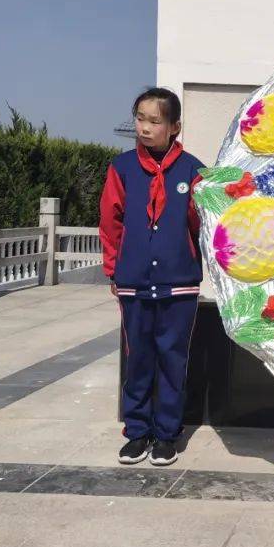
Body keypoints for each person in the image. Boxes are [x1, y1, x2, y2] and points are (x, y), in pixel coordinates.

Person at [99, 87, 204, 467]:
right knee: (138, 359)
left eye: (154, 121)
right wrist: (113, 267)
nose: (144, 127)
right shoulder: (121, 168)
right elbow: (110, 221)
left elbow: (201, 226)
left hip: (180, 281)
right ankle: (137, 432)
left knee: (172, 360)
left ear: (174, 126)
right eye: (140, 118)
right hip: (134, 281)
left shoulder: (194, 170)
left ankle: (166, 435)